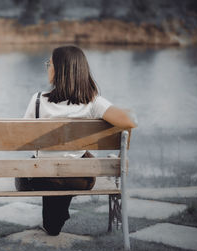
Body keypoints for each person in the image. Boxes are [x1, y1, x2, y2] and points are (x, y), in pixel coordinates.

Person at [17, 45, 137, 236]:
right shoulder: (93, 102)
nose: (47, 67)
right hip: (80, 179)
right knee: (77, 162)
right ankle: (53, 222)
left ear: (60, 70)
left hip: (39, 180)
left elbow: (22, 138)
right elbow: (129, 122)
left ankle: (53, 222)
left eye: (50, 63)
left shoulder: (38, 100)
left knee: (46, 169)